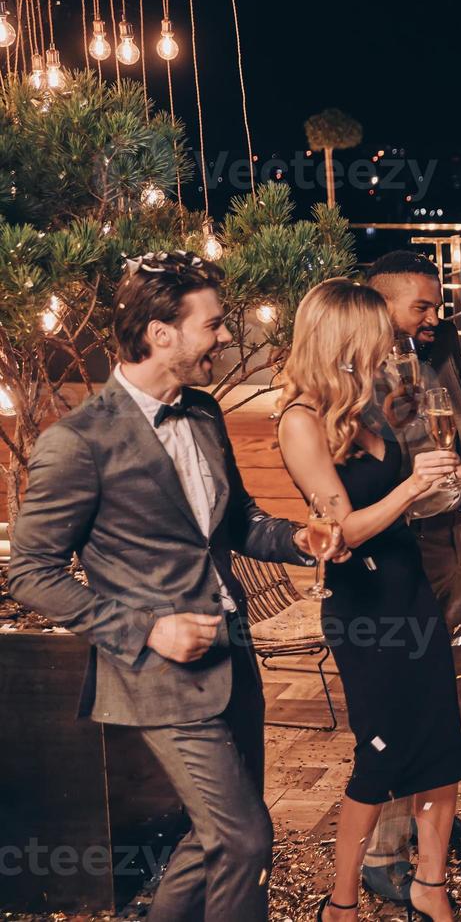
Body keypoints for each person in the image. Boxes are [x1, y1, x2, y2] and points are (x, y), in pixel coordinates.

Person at [7, 251, 345, 922]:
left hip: (232, 654)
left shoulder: (204, 410)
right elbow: (30, 574)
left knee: (213, 837)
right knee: (246, 837)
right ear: (162, 334)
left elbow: (239, 521)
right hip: (157, 671)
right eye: (214, 325)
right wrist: (147, 628)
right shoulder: (77, 442)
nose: (225, 338)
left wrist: (297, 540)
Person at [276, 279, 461, 922]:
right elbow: (343, 531)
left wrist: (459, 475)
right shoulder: (301, 422)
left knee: (442, 741)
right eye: (378, 333)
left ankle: (429, 883)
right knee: (378, 753)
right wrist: (413, 485)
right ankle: (342, 900)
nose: (391, 343)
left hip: (409, 587)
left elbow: (399, 511)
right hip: (364, 605)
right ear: (345, 335)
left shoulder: (371, 408)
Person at [358, 250, 461, 902]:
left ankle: (430, 824)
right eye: (421, 304)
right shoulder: (354, 375)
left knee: (454, 692)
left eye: (437, 303)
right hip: (400, 550)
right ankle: (384, 849)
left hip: (455, 537)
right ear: (379, 302)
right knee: (405, 700)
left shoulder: (438, 353)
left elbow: (458, 438)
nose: (435, 315)